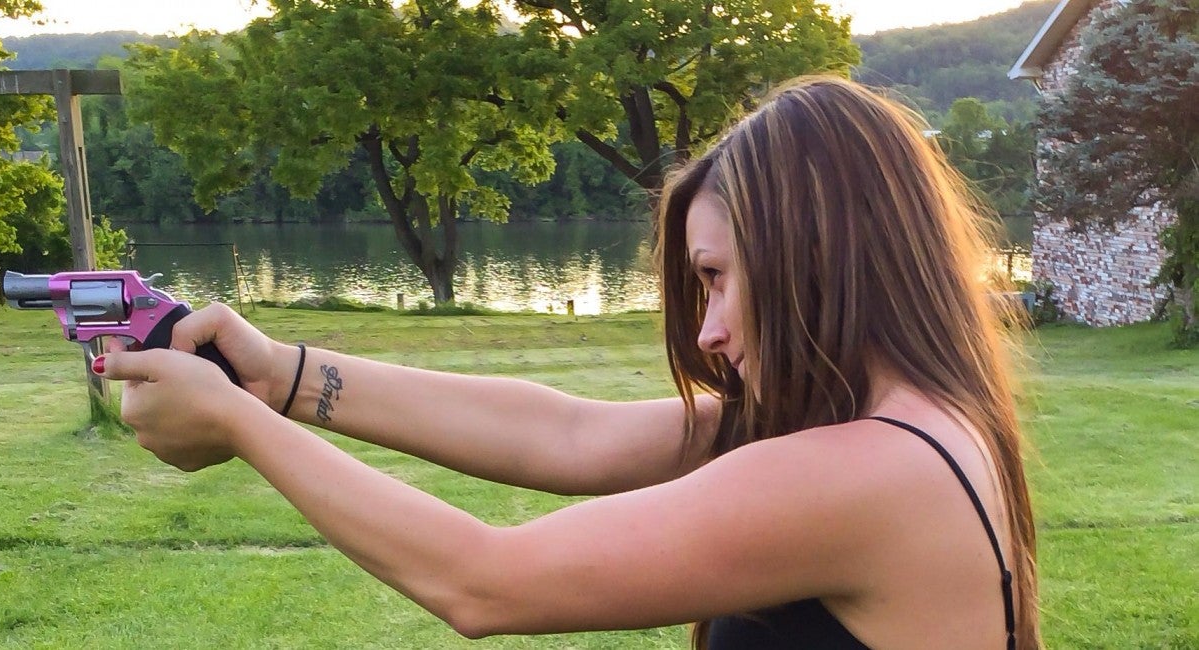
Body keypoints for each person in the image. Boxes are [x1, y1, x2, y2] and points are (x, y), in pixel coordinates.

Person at [96, 75, 1040, 649]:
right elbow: (568, 433)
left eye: (717, 278)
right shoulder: (897, 429)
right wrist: (282, 377)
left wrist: (238, 422)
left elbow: (484, 581)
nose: (708, 333)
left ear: (816, 253)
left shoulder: (865, 472)